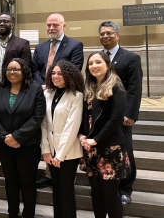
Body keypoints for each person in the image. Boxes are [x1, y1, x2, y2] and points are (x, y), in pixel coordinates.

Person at [33, 13, 84, 188]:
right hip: (45, 92)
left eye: (55, 25)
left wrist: (54, 83)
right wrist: (45, 85)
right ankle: (50, 173)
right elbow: (34, 69)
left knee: (63, 127)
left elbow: (74, 68)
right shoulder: (40, 47)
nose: (51, 28)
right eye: (49, 25)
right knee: (47, 126)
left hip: (65, 94)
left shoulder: (75, 45)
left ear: (64, 26)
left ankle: (64, 171)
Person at [0, 12, 32, 183]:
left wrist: (4, 86)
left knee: (9, 124)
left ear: (12, 23)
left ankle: (13, 164)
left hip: (13, 91)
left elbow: (25, 68)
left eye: (6, 21)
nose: (2, 23)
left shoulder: (22, 44)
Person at [0, 58, 45, 218]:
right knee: (10, 183)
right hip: (5, 146)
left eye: (16, 69)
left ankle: (29, 214)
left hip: (28, 145)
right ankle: (12, 213)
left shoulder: (35, 89)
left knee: (27, 183)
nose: (12, 73)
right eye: (9, 69)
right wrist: (4, 136)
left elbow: (37, 117)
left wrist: (17, 137)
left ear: (24, 71)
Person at [79, 51, 130, 218]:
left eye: (98, 62)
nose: (94, 66)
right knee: (95, 192)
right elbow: (85, 116)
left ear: (108, 65)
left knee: (110, 193)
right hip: (91, 147)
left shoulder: (116, 86)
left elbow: (116, 120)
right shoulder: (89, 87)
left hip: (110, 147)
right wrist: (82, 135)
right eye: (91, 63)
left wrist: (96, 139)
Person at [98, 21, 142, 205]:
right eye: (102, 34)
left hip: (122, 116)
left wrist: (130, 114)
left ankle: (125, 189)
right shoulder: (98, 57)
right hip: (103, 115)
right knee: (107, 151)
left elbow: (134, 88)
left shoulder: (130, 58)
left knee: (125, 151)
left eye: (109, 33)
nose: (105, 36)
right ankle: (108, 184)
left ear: (117, 35)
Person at [41, 60, 84, 218]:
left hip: (68, 153)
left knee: (66, 191)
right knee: (56, 190)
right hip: (51, 151)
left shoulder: (76, 96)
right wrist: (46, 151)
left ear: (68, 75)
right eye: (53, 73)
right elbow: (43, 124)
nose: (56, 76)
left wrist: (60, 154)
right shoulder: (47, 94)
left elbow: (72, 127)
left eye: (60, 73)